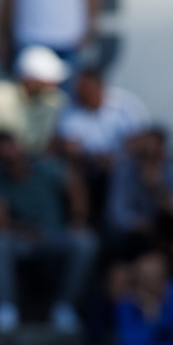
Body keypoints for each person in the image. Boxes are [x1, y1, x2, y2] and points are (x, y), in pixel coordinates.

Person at [0, 131, 96, 332]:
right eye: (4, 154)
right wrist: (22, 229)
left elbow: (75, 186)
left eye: (12, 149)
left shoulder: (46, 167)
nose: (10, 157)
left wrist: (78, 220)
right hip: (23, 240)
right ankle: (6, 308)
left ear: (21, 148)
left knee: (86, 242)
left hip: (55, 235)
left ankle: (64, 306)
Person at [57, 66, 149, 227]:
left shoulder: (125, 105)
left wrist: (116, 158)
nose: (80, 94)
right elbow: (69, 145)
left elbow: (140, 142)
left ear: (98, 87)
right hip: (87, 165)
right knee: (71, 173)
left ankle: (120, 224)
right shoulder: (71, 109)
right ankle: (80, 225)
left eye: (84, 89)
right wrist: (92, 159)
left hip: (123, 164)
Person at [0, 44, 72, 154]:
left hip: (36, 163)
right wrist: (3, 148)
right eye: (47, 79)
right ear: (30, 79)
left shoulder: (58, 99)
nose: (54, 84)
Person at [106, 125, 173, 236]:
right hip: (132, 236)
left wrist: (157, 188)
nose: (149, 161)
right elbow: (117, 214)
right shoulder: (123, 171)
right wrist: (141, 224)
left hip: (170, 236)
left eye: (155, 154)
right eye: (144, 154)